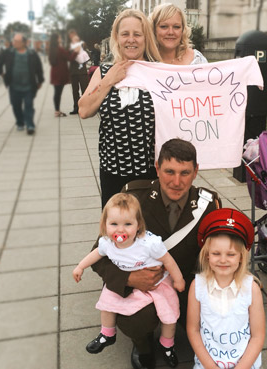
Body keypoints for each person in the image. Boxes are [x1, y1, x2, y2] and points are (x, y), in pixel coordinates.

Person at [90, 138, 221, 369]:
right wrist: (128, 279)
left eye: (185, 172)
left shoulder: (207, 204)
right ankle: (143, 345)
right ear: (157, 168)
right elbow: (98, 254)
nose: (177, 181)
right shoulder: (135, 196)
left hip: (184, 283)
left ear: (196, 172)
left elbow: (216, 252)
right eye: (169, 171)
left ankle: (174, 336)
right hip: (143, 286)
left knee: (219, 316)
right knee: (136, 320)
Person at [73, 193, 185, 366]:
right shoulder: (107, 242)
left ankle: (167, 344)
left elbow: (168, 260)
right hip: (129, 282)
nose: (120, 230)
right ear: (105, 225)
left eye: (127, 224)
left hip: (157, 282)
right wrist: (80, 266)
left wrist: (178, 279)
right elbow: (96, 254)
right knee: (107, 301)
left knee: (169, 313)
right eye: (114, 224)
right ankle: (107, 333)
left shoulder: (148, 244)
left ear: (138, 225)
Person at [78, 9, 162, 209]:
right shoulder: (104, 71)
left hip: (150, 172)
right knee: (118, 232)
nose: (131, 40)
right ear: (117, 37)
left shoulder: (158, 72)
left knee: (149, 232)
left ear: (145, 38)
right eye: (125, 34)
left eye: (137, 34)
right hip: (113, 171)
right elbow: (84, 110)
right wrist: (108, 81)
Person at [187, 208, 266, 369]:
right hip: (208, 363)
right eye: (216, 253)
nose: (223, 260)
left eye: (230, 254)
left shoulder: (251, 289)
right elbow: (193, 329)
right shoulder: (197, 286)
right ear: (207, 255)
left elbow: (258, 336)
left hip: (245, 364)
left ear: (241, 257)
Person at [0, 33, 44, 135]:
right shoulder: (8, 52)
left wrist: (40, 80)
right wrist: (0, 72)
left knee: (29, 105)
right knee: (15, 105)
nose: (14, 43)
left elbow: (39, 68)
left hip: (29, 86)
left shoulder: (31, 53)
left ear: (24, 43)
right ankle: (20, 122)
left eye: (17, 41)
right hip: (14, 86)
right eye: (14, 41)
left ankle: (30, 125)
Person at [48, 33, 78, 117]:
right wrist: (75, 51)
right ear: (57, 39)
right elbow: (70, 58)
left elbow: (64, 54)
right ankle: (57, 111)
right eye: (59, 37)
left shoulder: (52, 49)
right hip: (60, 73)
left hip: (54, 73)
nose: (60, 38)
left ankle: (57, 110)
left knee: (57, 92)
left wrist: (69, 50)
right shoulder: (59, 49)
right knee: (58, 93)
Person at [67, 29, 89, 115]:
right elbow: (69, 58)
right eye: (71, 36)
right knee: (75, 91)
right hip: (73, 73)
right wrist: (75, 52)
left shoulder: (83, 45)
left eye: (74, 35)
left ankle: (86, 107)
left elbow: (88, 56)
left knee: (85, 90)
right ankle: (76, 107)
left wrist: (82, 51)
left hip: (82, 72)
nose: (73, 37)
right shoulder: (70, 48)